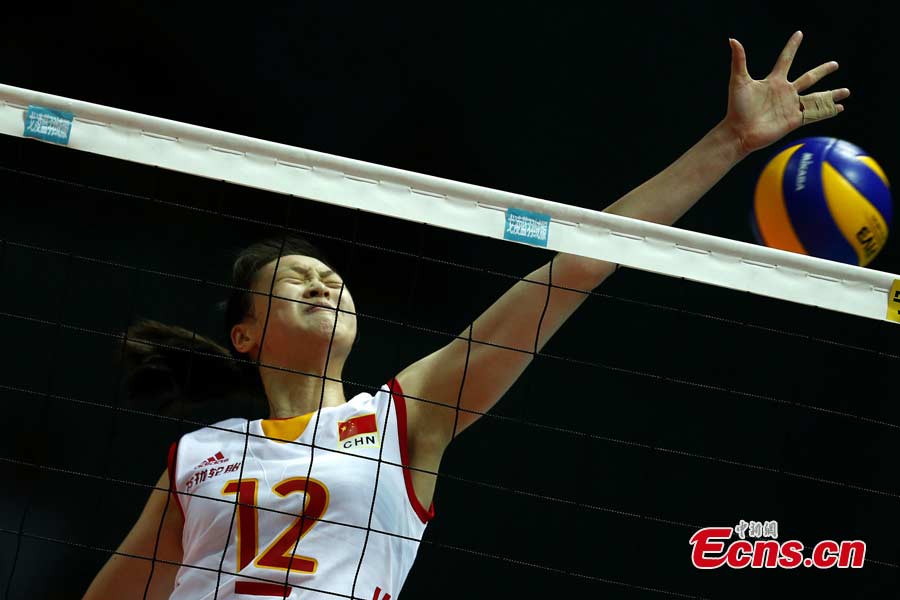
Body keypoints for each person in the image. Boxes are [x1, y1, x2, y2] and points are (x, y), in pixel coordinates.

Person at [83, 32, 848, 600]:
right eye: (293, 283)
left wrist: (730, 141)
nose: (321, 285)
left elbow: (576, 267)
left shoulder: (405, 418)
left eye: (329, 277)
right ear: (245, 335)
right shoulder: (199, 458)